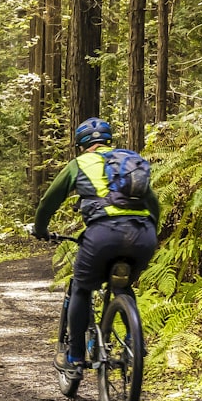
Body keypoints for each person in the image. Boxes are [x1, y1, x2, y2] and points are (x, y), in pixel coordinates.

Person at [32, 117, 160, 379]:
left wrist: (40, 229)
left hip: (103, 234)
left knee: (81, 287)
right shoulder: (129, 161)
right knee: (122, 286)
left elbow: (48, 202)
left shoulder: (79, 164)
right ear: (108, 140)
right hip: (143, 234)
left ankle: (76, 358)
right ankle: (135, 343)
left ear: (80, 145)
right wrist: (151, 230)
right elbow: (153, 203)